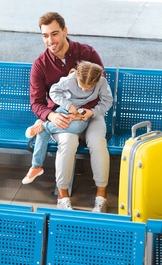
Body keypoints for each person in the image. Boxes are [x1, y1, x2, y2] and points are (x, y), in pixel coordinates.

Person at [24, 12, 112, 213]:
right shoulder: (40, 64)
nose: (50, 41)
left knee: (98, 142)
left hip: (92, 114)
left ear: (65, 31)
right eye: (45, 36)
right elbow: (37, 104)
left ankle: (101, 197)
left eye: (54, 34)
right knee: (68, 142)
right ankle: (63, 198)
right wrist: (52, 115)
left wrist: (88, 112)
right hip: (61, 116)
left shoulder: (87, 53)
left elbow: (101, 87)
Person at [23, 61, 113, 184]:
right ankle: (36, 166)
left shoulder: (101, 82)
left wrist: (93, 112)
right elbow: (54, 92)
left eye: (88, 88)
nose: (84, 90)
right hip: (65, 109)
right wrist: (68, 105)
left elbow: (107, 102)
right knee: (45, 132)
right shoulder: (70, 79)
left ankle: (43, 125)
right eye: (81, 86)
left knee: (76, 126)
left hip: (83, 113)